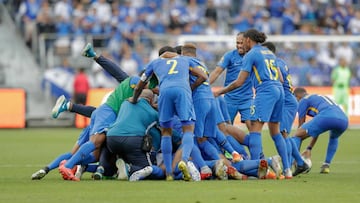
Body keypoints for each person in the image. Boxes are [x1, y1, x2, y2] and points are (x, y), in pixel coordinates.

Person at [214, 28, 292, 179]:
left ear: (248, 40)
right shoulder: (269, 53)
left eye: (243, 42)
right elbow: (281, 79)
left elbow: (239, 82)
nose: (242, 44)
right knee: (275, 132)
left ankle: (256, 167)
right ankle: (287, 170)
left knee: (255, 129)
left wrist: (219, 92)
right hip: (279, 90)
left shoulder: (252, 54)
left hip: (266, 91)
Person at [58, 45, 142, 181]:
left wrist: (96, 56)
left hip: (107, 114)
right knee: (97, 141)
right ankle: (69, 165)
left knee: (98, 152)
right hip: (108, 112)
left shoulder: (130, 84)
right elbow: (116, 72)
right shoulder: (134, 83)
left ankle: (76, 164)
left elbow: (116, 71)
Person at [131, 46, 208, 181]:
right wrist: (190, 88)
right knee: (188, 129)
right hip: (182, 91)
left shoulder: (155, 63)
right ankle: (184, 160)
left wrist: (134, 99)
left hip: (164, 92)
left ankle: (169, 174)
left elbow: (140, 84)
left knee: (166, 132)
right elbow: (203, 76)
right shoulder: (184, 60)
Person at [262, 41, 308, 178]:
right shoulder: (279, 62)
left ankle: (288, 167)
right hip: (285, 100)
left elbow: (279, 82)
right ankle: (300, 162)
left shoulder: (274, 64)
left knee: (282, 135)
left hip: (287, 102)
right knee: (283, 135)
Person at [105, 89, 162, 180]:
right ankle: (129, 168)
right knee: (147, 170)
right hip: (133, 140)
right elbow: (161, 130)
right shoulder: (153, 113)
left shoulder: (125, 103)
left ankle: (97, 168)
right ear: (151, 100)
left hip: (111, 138)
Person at [292, 87, 348, 175]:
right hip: (343, 120)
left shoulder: (303, 100)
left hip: (327, 115)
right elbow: (316, 130)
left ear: (297, 96)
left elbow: (301, 127)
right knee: (333, 137)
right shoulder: (317, 98)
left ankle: (294, 163)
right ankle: (326, 165)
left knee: (297, 134)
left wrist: (297, 155)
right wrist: (309, 148)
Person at [209, 32, 253, 129]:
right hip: (229, 100)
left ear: (248, 42)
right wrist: (205, 85)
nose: (239, 46)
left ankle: (255, 144)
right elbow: (217, 72)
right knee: (226, 129)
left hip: (247, 99)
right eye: (237, 43)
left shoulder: (253, 56)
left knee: (253, 129)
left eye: (241, 43)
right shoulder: (229, 55)